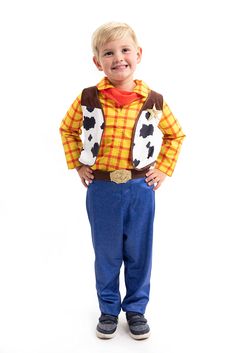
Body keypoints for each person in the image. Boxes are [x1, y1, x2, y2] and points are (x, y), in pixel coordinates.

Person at [59, 22, 185, 340]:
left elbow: (175, 135)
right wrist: (78, 164)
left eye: (125, 50)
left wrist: (164, 169)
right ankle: (108, 310)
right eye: (108, 53)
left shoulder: (153, 100)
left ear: (138, 54)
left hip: (140, 189)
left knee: (139, 251)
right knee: (107, 252)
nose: (118, 58)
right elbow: (67, 129)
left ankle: (137, 310)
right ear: (97, 61)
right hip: (101, 189)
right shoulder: (89, 98)